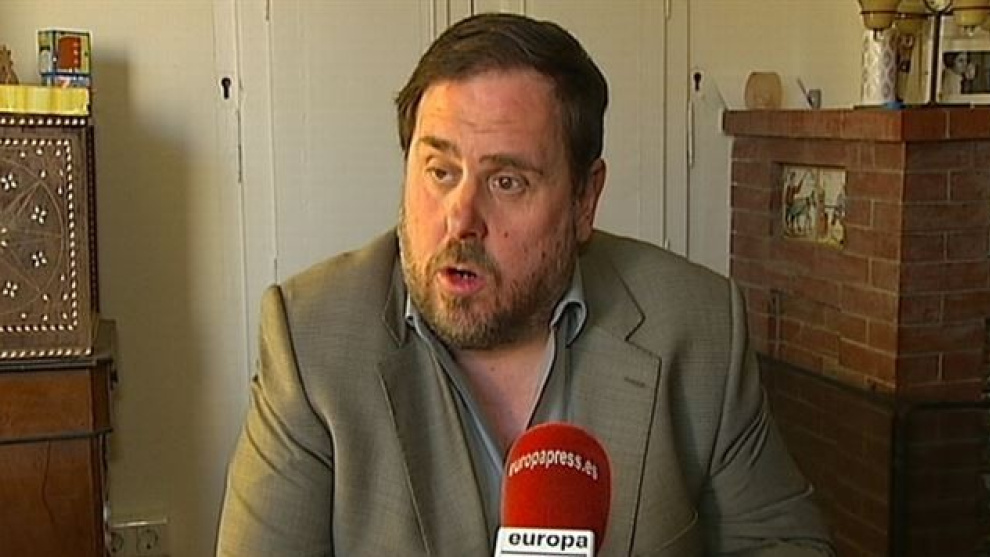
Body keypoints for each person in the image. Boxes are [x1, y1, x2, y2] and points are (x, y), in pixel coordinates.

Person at [216, 13, 834, 557]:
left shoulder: (697, 327)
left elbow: (783, 543)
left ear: (585, 199)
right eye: (439, 171)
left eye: (507, 181)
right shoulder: (312, 343)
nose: (460, 219)